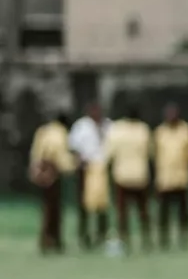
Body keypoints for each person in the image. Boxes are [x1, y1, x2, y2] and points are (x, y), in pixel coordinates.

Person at [106, 106, 155, 252]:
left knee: (122, 213)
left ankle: (123, 240)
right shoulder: (143, 130)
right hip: (140, 176)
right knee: (143, 212)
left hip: (122, 176)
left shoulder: (117, 129)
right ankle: (146, 240)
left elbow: (109, 153)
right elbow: (150, 152)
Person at [28, 113, 75, 254]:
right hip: (53, 173)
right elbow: (62, 157)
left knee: (47, 209)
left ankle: (45, 240)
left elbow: (35, 154)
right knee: (54, 210)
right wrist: (72, 166)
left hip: (42, 172)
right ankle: (54, 241)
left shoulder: (43, 131)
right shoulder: (60, 133)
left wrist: (35, 171)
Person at [68, 101, 111, 251]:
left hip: (103, 170)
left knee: (102, 206)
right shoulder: (81, 126)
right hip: (86, 169)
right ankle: (84, 236)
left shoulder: (108, 125)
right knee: (84, 205)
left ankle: (102, 235)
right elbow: (73, 147)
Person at [153, 103, 188, 248]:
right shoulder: (160, 132)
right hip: (165, 179)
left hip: (181, 179)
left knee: (183, 213)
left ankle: (184, 238)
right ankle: (164, 239)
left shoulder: (186, 131)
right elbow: (155, 155)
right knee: (164, 213)